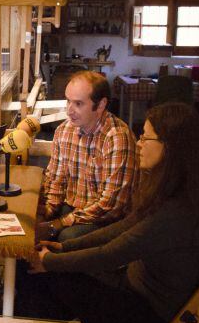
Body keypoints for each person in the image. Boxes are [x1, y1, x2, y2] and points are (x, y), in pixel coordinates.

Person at [17, 103, 199, 323]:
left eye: (146, 138)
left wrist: (50, 262)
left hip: (146, 321)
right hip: (133, 292)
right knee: (49, 275)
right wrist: (63, 248)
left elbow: (111, 253)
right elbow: (122, 229)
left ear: (170, 148)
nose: (139, 144)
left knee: (35, 275)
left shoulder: (176, 213)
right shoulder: (176, 192)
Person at [41, 70, 138, 240]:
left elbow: (111, 205)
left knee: (66, 237)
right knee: (29, 226)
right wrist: (46, 213)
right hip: (73, 207)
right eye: (68, 101)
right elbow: (56, 179)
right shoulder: (64, 130)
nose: (69, 110)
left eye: (78, 104)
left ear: (100, 105)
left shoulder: (117, 137)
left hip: (106, 218)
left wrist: (59, 223)